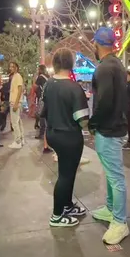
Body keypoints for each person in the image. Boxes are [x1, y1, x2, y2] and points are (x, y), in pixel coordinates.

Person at [89, 28, 129, 246]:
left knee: (115, 177)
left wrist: (93, 123)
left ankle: (120, 222)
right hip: (116, 126)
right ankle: (111, 209)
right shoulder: (118, 65)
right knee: (111, 173)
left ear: (97, 44)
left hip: (108, 129)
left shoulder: (104, 68)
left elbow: (103, 101)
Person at [43, 48, 89, 227]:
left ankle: (67, 205)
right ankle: (56, 216)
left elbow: (43, 111)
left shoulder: (48, 84)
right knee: (66, 175)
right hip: (69, 137)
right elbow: (82, 120)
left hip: (52, 134)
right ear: (71, 64)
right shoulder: (74, 87)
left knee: (66, 172)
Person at [8, 62, 25, 149]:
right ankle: (21, 140)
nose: (10, 68)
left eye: (12, 67)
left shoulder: (17, 76)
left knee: (15, 123)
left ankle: (17, 141)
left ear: (16, 68)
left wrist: (16, 103)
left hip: (15, 102)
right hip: (15, 102)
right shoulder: (15, 76)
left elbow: (20, 90)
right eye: (10, 66)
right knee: (17, 122)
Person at [35, 65, 49, 139]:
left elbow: (35, 86)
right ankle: (48, 132)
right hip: (48, 98)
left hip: (42, 98)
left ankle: (42, 133)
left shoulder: (40, 77)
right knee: (47, 115)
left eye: (38, 69)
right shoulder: (48, 76)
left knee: (41, 115)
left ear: (40, 70)